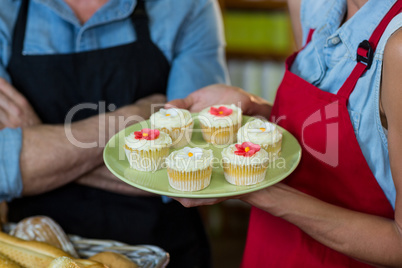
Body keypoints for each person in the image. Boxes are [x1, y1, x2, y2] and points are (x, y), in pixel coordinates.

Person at [168, 0, 402, 267]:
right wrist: (254, 109)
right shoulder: (309, 5)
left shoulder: (398, 45)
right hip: (268, 248)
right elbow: (335, 130)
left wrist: (255, 189)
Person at [0, 0, 228, 267]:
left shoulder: (187, 6)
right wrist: (137, 114)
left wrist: (37, 145)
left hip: (164, 250)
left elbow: (190, 168)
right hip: (31, 251)